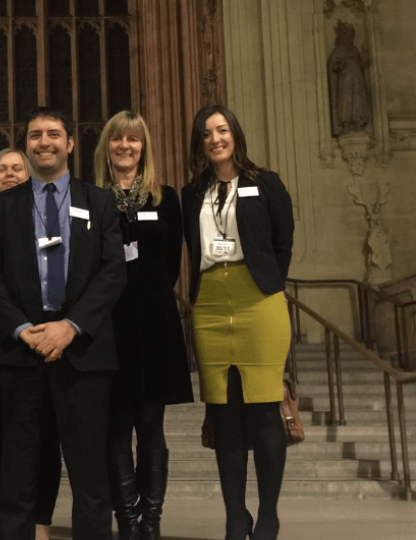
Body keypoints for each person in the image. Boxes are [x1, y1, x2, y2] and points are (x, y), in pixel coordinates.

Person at [0, 106, 126, 540]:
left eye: (53, 134)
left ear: (70, 143)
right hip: (21, 350)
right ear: (26, 144)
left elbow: (113, 270)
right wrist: (23, 329)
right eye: (35, 134)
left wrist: (71, 326)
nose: (44, 142)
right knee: (18, 470)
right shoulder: (3, 206)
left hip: (81, 350)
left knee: (90, 472)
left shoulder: (97, 200)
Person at [182, 105, 293, 540]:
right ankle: (234, 516)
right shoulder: (193, 193)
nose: (215, 138)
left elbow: (283, 241)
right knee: (224, 414)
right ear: (200, 143)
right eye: (207, 133)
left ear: (235, 135)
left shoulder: (265, 183)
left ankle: (267, 516)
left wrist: (267, 283)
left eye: (222, 129)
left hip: (259, 302)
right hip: (209, 304)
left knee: (265, 411)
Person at [93, 111, 194, 540]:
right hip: (108, 325)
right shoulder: (92, 199)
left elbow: (171, 263)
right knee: (116, 427)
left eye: (133, 140)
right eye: (117, 139)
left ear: (143, 146)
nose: (125, 147)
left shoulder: (166, 198)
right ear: (107, 147)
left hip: (154, 325)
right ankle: (127, 524)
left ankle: (150, 523)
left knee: (151, 426)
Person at [0, 148, 63, 540]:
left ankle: (40, 523)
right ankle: (8, 522)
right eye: (0, 169)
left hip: (47, 343)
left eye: (15, 168)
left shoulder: (49, 220)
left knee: (45, 438)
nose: (7, 174)